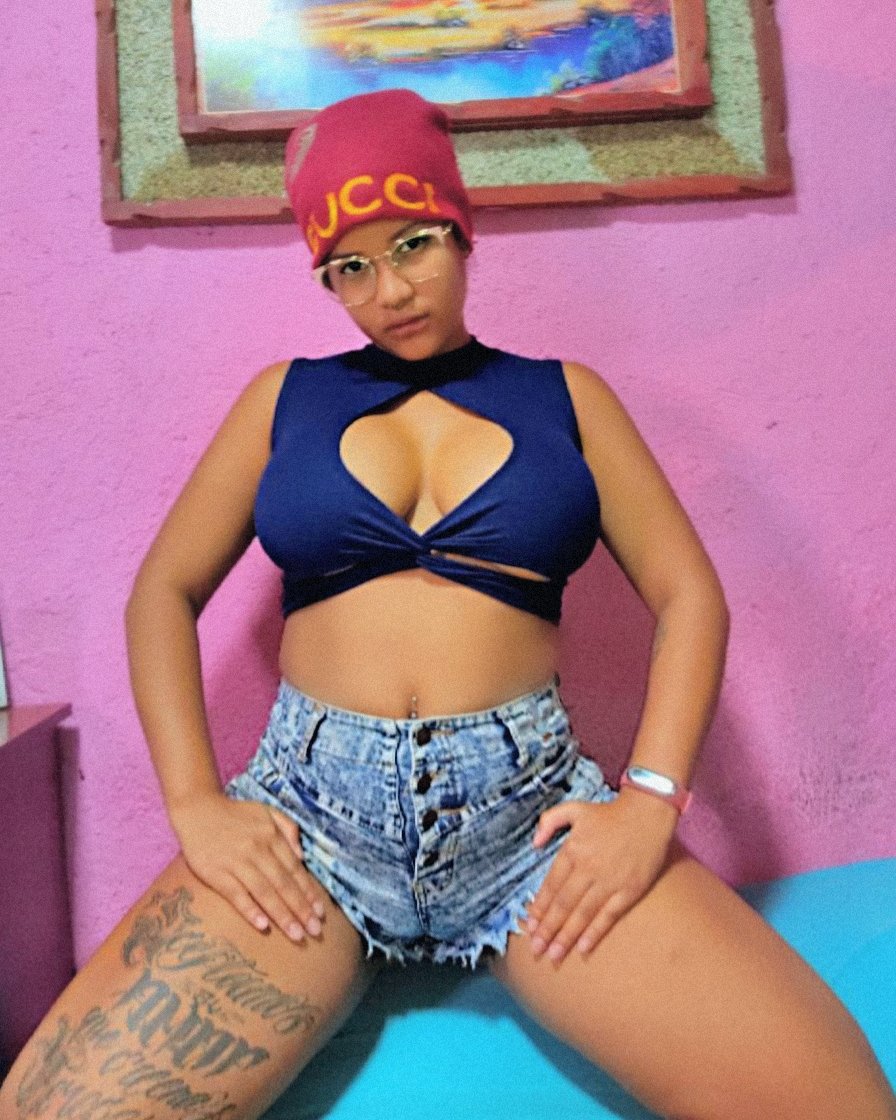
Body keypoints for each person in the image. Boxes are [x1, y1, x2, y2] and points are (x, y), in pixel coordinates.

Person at [2, 88, 893, 1120]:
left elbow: (688, 593)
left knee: (841, 1106)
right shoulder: (283, 399)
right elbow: (162, 591)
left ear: (461, 230)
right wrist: (196, 804)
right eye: (349, 267)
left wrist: (650, 798)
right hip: (309, 828)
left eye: (413, 245)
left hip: (526, 832)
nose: (389, 290)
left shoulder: (567, 397)